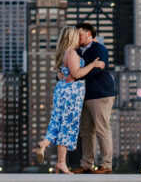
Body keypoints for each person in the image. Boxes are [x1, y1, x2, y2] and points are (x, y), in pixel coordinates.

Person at [34, 26, 105, 174]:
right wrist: (93, 64)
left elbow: (67, 73)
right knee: (67, 126)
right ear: (72, 38)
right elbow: (76, 74)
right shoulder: (72, 53)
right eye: (77, 36)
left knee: (57, 123)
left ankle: (44, 143)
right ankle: (61, 162)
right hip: (71, 94)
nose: (79, 38)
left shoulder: (64, 53)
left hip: (62, 91)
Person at [74, 22, 115, 174]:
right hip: (84, 96)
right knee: (86, 131)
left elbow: (98, 69)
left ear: (89, 35)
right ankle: (86, 165)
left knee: (102, 129)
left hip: (100, 95)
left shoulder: (99, 48)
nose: (77, 38)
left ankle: (106, 165)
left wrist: (76, 76)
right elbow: (68, 68)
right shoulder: (77, 51)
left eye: (80, 35)